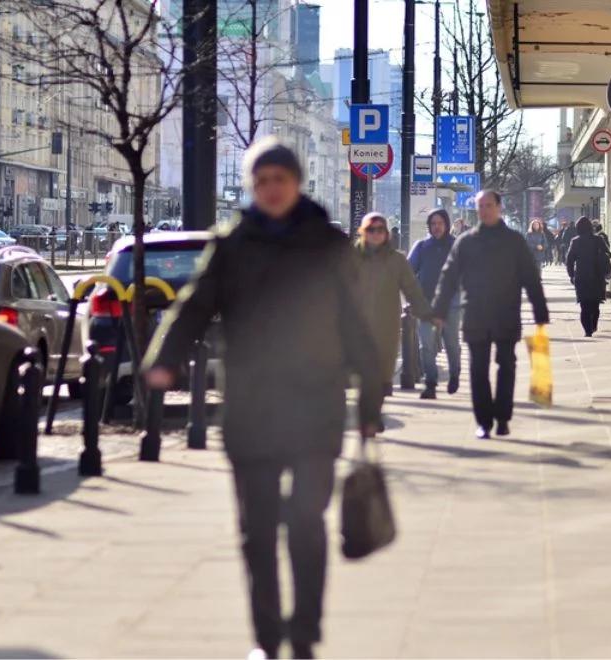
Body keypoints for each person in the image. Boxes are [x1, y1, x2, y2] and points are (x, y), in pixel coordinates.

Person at [142, 137, 385, 660]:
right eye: (262, 181)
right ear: (253, 187)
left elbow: (358, 329)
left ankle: (304, 632)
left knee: (304, 522)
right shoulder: (231, 245)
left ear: (297, 183)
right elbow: (194, 305)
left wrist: (368, 407)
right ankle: (266, 637)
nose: (272, 189)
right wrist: (164, 356)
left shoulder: (328, 245)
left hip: (315, 405)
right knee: (255, 531)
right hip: (251, 406)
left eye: (280, 179)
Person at [432, 190, 549, 440]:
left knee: (506, 366)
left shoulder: (514, 241)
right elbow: (449, 276)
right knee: (478, 369)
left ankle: (503, 418)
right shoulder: (466, 242)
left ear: (499, 207)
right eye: (480, 206)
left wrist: (540, 311)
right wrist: (440, 310)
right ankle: (484, 421)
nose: (484, 210)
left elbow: (530, 278)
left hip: (506, 313)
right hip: (475, 314)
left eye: (488, 205)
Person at [353, 212, 435, 397]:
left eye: (380, 230)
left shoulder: (397, 260)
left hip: (387, 326)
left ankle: (373, 416)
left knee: (383, 380)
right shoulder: (351, 258)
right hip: (358, 327)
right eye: (370, 229)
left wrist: (426, 314)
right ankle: (369, 421)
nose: (376, 234)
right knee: (364, 377)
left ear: (386, 233)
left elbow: (412, 289)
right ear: (363, 232)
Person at [407, 208, 462, 399]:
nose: (437, 227)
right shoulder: (421, 246)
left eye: (440, 223)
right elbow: (408, 272)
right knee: (426, 344)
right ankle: (430, 382)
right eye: (433, 224)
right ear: (429, 226)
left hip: (451, 304)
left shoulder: (457, 245)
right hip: (426, 304)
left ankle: (455, 373)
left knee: (451, 343)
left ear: (446, 224)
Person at [565, 216, 611, 337]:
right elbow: (608, 253)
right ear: (591, 227)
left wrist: (571, 275)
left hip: (581, 277)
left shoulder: (575, 241)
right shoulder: (598, 240)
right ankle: (594, 324)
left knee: (584, 306)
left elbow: (569, 260)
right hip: (597, 276)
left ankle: (587, 330)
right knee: (595, 305)